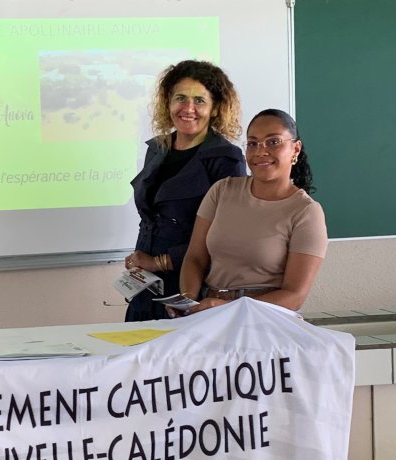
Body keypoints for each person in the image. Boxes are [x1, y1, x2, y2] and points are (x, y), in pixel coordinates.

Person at [124, 60, 246, 322]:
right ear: (168, 102)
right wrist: (141, 258)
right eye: (180, 98)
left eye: (199, 101)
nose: (188, 109)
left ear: (215, 108)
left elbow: (228, 234)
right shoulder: (157, 149)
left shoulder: (226, 158)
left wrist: (160, 261)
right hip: (145, 285)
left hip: (193, 285)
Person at [178, 108, 327, 314]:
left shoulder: (306, 212)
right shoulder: (222, 190)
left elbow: (294, 296)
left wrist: (226, 308)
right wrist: (187, 303)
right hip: (210, 314)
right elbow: (195, 257)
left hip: (265, 320)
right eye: (252, 143)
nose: (260, 152)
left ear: (296, 149)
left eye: (273, 142)